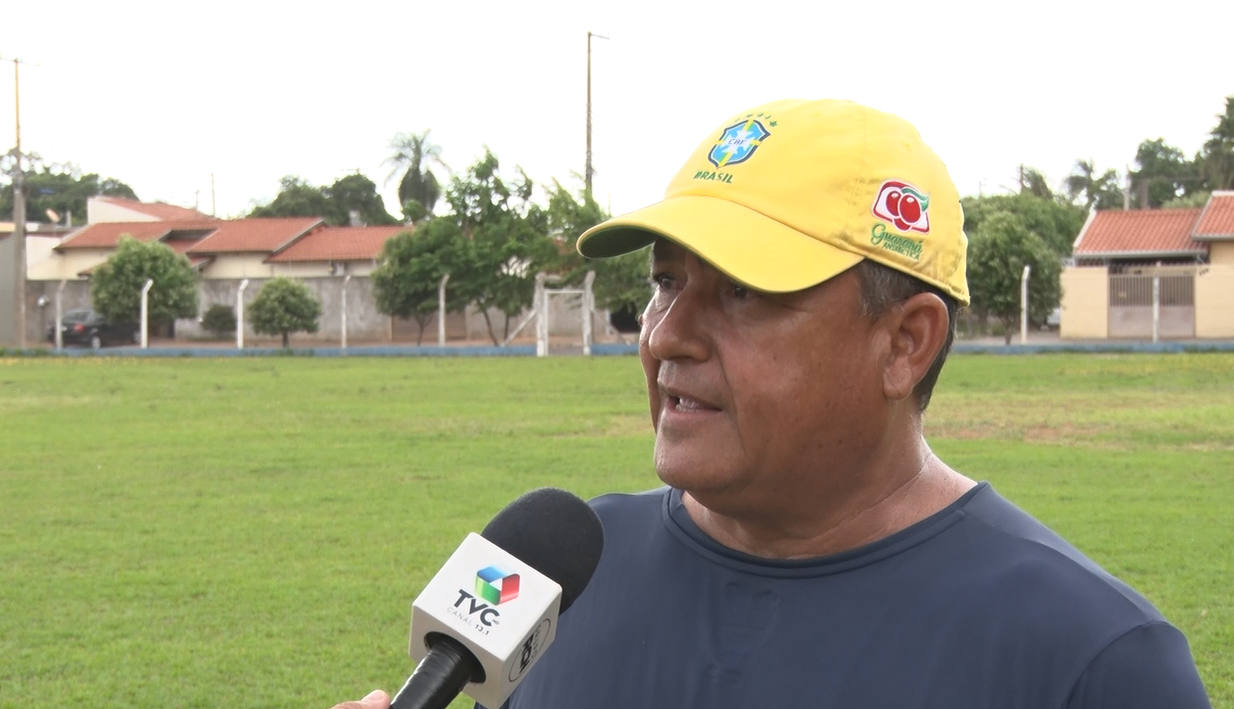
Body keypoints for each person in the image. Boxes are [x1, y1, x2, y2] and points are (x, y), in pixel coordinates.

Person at [334, 99, 1211, 709]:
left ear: (905, 341)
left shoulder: (1091, 661)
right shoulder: (564, 575)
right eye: (665, 283)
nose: (666, 335)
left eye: (746, 293)